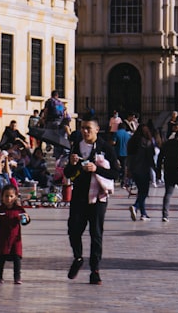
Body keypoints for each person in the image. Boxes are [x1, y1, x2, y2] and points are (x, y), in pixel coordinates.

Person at [64, 115, 120, 285]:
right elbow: (68, 174)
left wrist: (97, 169)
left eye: (88, 128)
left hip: (98, 197)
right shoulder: (76, 146)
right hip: (79, 195)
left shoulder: (105, 147)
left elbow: (116, 173)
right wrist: (72, 164)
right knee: (73, 229)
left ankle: (95, 270)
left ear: (97, 129)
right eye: (82, 128)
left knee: (96, 233)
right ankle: (78, 257)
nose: (85, 131)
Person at [0, 183, 30, 283]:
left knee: (17, 258)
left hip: (16, 239)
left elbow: (24, 222)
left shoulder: (19, 209)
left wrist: (26, 218)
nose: (9, 198)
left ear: (15, 197)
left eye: (11, 196)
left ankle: (17, 277)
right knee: (2, 257)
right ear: (2, 197)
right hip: (4, 238)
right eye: (6, 196)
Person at [127, 124, 156, 221]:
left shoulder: (132, 141)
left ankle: (143, 213)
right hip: (144, 169)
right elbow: (151, 157)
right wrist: (155, 169)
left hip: (134, 169)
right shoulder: (147, 142)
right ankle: (135, 206)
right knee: (144, 192)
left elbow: (129, 157)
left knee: (141, 191)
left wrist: (129, 169)